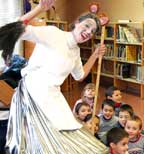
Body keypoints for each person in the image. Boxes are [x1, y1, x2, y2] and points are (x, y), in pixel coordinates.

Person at [0, 0, 108, 153]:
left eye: (92, 32)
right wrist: (39, 9)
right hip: (33, 92)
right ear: (77, 23)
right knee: (44, 144)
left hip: (53, 96)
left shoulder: (75, 51)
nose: (88, 32)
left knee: (70, 136)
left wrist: (95, 55)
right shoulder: (53, 33)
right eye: (87, 26)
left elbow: (80, 75)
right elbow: (17, 28)